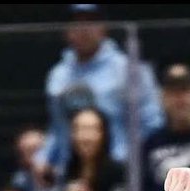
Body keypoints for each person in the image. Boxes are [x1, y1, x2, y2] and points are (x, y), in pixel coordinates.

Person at [39, 3, 163, 174]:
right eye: (77, 23)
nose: (84, 30)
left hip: (120, 167)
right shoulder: (58, 75)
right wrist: (44, 158)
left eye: (91, 22)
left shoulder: (129, 69)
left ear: (104, 28)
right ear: (66, 31)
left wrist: (132, 163)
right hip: (71, 171)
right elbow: (57, 127)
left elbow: (152, 123)